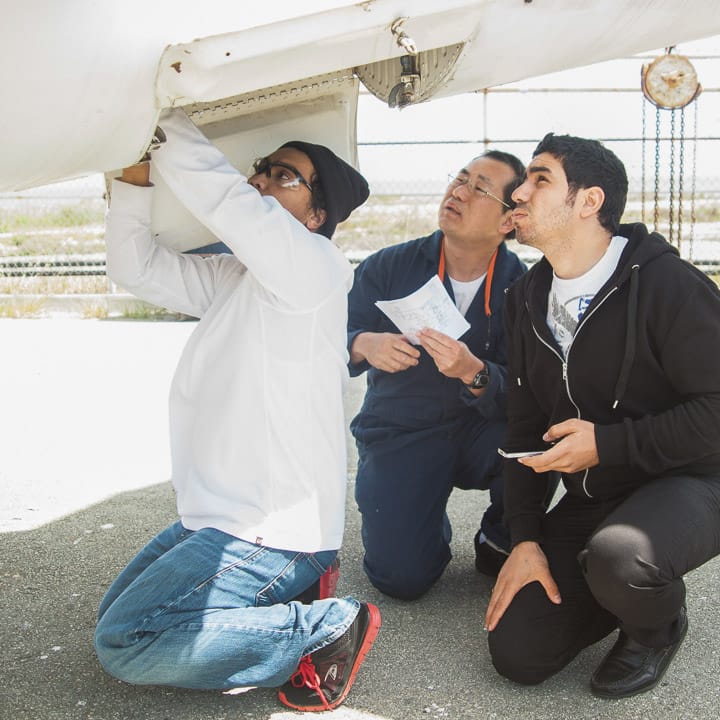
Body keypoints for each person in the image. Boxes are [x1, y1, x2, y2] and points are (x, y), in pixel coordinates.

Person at [94, 108, 381, 713]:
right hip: (217, 515)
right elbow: (134, 266)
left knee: (125, 641)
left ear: (316, 217)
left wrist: (157, 117)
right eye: (261, 170)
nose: (260, 181)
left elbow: (230, 207)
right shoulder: (234, 277)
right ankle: (292, 605)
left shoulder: (316, 269)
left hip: (271, 529)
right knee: (116, 618)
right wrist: (134, 169)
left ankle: (322, 627)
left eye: (284, 177)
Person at [485, 132, 720, 699]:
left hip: (692, 478)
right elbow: (522, 429)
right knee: (519, 653)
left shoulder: (664, 282)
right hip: (598, 495)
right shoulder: (525, 300)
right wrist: (524, 539)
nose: (519, 190)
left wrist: (609, 445)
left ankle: (655, 624)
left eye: (541, 179)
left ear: (589, 202)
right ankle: (621, 585)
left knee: (622, 556)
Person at [347, 150, 530, 600]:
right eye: (461, 178)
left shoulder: (525, 289)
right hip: (402, 432)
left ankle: (497, 539)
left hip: (481, 431)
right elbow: (328, 331)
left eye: (480, 188)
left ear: (509, 221)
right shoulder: (388, 267)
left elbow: (531, 390)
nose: (459, 191)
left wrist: (475, 373)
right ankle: (422, 512)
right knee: (401, 579)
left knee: (535, 438)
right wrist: (362, 343)